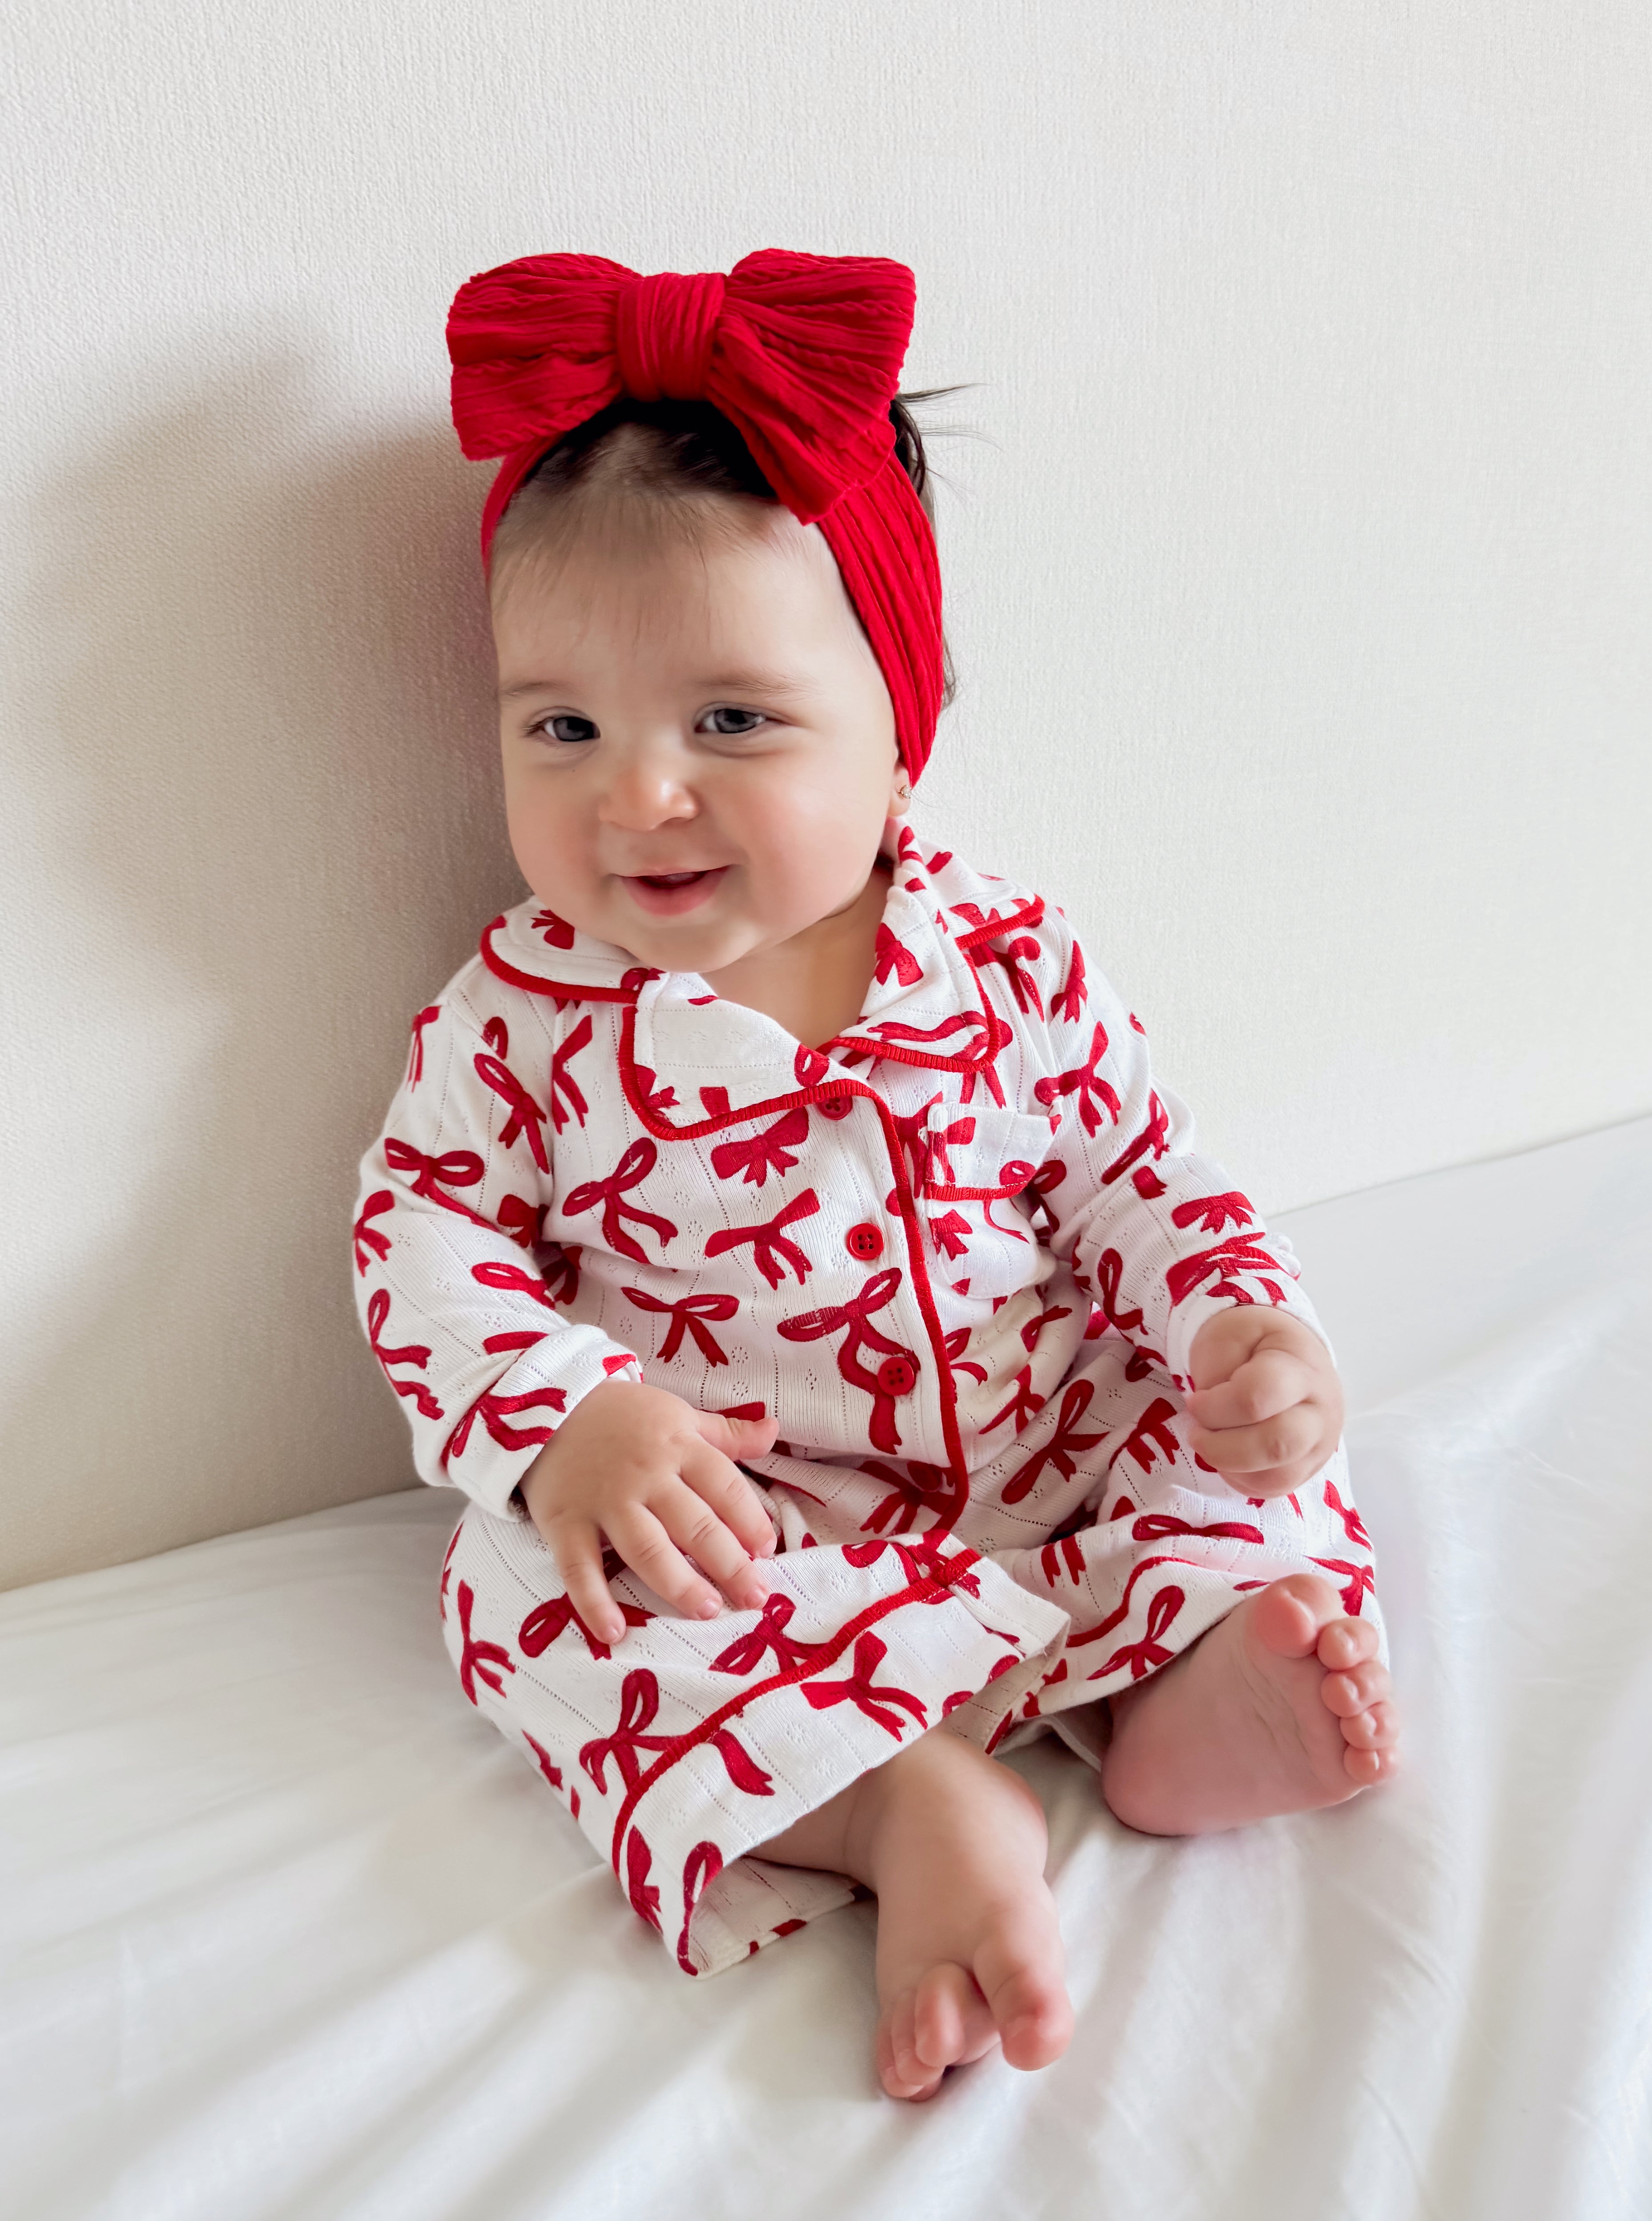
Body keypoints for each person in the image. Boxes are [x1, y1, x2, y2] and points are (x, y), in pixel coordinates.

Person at [352, 249, 1398, 2104]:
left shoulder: (999, 953)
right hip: (755, 1529)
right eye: (562, 725)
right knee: (538, 1606)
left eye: (731, 722)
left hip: (1055, 1453)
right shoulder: (523, 1018)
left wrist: (1244, 1325)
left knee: (1262, 1475)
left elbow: (1136, 1168)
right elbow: (419, 1231)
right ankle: (900, 1798)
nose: (638, 795)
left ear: (901, 724)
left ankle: (1187, 1696)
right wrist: (563, 1419)